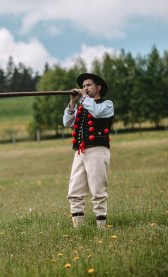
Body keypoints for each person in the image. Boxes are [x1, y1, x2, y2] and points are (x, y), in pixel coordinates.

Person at [63, 73, 114, 229]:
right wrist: (72, 103)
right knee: (74, 191)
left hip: (98, 151)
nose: (85, 88)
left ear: (98, 88)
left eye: (89, 85)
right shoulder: (81, 107)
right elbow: (67, 122)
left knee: (98, 191)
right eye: (83, 86)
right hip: (80, 152)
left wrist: (84, 98)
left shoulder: (106, 104)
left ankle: (101, 228)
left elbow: (97, 112)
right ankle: (78, 229)